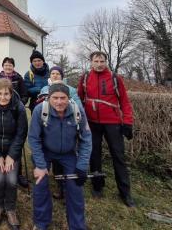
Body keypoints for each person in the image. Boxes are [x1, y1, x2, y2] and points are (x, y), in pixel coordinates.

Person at [29, 83, 92, 230]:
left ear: (69, 98)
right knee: (40, 184)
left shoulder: (77, 111)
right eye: (55, 98)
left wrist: (82, 166)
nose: (59, 102)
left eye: (62, 98)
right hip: (46, 151)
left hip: (68, 153)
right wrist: (40, 165)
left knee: (76, 188)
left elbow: (86, 139)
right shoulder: (40, 110)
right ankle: (41, 223)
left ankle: (77, 225)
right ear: (49, 98)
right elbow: (33, 139)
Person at [77, 51, 135, 207]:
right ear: (91, 62)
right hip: (92, 123)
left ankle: (125, 192)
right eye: (96, 61)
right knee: (94, 154)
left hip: (113, 123)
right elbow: (78, 99)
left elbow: (125, 101)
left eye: (102, 61)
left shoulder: (115, 79)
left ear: (106, 61)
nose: (99, 64)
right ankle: (97, 185)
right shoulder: (85, 78)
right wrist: (78, 121)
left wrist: (128, 122)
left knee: (118, 156)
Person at [0, 78, 28, 229]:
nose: (3, 97)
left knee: (12, 180)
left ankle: (10, 209)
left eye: (6, 94)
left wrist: (11, 156)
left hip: (12, 148)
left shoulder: (18, 107)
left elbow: (21, 134)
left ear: (11, 93)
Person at [40, 66, 84, 200]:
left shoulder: (71, 89)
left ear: (62, 76)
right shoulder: (44, 89)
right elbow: (40, 107)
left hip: (66, 126)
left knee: (63, 159)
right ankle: (53, 183)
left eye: (57, 74)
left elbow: (79, 108)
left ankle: (64, 188)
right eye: (52, 73)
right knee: (50, 157)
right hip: (48, 127)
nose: (55, 76)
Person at [0, 57, 29, 187]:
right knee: (1, 143)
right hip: (0, 114)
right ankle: (0, 171)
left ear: (13, 66)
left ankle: (18, 173)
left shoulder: (19, 78)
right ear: (3, 66)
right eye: (6, 65)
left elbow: (25, 94)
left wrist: (19, 105)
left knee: (16, 144)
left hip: (15, 113)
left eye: (10, 65)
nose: (8, 67)